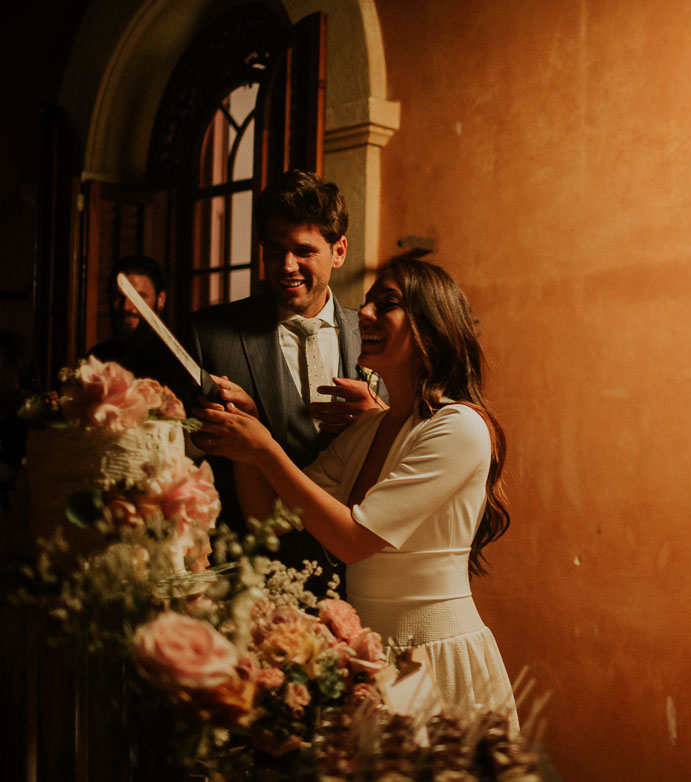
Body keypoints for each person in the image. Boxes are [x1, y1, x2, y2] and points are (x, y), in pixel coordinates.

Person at [194, 256, 516, 723]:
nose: (363, 313)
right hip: (366, 652)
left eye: (386, 304)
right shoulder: (370, 429)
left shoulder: (458, 427)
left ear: (432, 325)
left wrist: (265, 450)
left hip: (434, 651)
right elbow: (272, 519)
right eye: (366, 302)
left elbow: (353, 540)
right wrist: (247, 438)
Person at [182, 170, 384, 592]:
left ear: (339, 250)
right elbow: (177, 453)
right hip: (246, 581)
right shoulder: (210, 335)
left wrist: (377, 417)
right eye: (274, 251)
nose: (286, 266)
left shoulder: (378, 337)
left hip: (361, 582)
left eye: (303, 251)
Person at [88, 255, 181, 384]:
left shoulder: (175, 360)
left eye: (138, 297)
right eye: (119, 297)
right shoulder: (97, 357)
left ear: (160, 299)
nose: (126, 306)